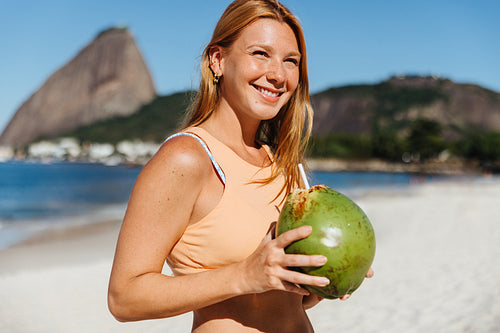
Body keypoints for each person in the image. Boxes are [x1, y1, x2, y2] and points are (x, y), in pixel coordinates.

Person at [108, 0, 373, 331]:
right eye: (260, 54)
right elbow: (124, 297)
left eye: (290, 61)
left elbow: (280, 298)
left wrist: (326, 277)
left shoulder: (286, 164)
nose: (277, 74)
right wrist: (244, 275)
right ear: (217, 60)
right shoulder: (187, 158)